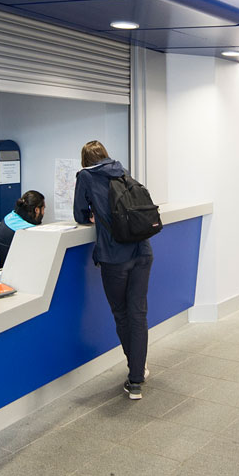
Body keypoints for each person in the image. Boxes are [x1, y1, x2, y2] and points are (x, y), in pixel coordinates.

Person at [74, 140, 152, 400]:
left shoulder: (86, 176)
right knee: (138, 314)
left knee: (122, 314)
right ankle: (137, 376)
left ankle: (136, 374)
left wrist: (92, 216)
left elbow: (78, 214)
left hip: (114, 257)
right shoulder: (121, 170)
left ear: (85, 160)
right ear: (105, 155)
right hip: (142, 251)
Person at [0, 190, 44, 265]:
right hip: (12, 269)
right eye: (43, 209)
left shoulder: (10, 217)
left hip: (2, 265)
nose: (44, 212)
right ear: (37, 210)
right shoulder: (27, 230)